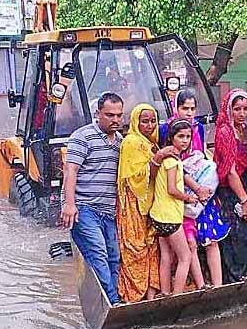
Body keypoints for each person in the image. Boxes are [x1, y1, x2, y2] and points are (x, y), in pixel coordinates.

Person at [61, 92, 124, 306]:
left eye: (118, 115)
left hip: (109, 210)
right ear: (97, 113)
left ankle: (110, 299)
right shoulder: (82, 136)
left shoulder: (121, 142)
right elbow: (71, 171)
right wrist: (70, 204)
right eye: (109, 115)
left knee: (114, 257)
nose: (115, 120)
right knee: (98, 254)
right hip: (85, 208)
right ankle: (113, 303)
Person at [160, 89, 227, 287]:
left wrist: (206, 189)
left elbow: (201, 156)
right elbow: (176, 166)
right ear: (176, 107)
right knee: (189, 243)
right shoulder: (168, 130)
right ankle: (199, 285)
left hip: (201, 192)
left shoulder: (196, 128)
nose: (189, 113)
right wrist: (196, 190)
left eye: (192, 108)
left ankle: (217, 285)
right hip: (183, 195)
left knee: (210, 239)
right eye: (184, 108)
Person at [117, 104, 177, 302]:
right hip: (134, 205)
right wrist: (158, 158)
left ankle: (151, 295)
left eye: (153, 121)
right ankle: (133, 297)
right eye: (145, 121)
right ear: (135, 122)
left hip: (150, 204)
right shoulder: (132, 142)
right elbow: (137, 178)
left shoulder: (151, 142)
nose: (150, 125)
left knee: (152, 248)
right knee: (135, 249)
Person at [214, 88, 247, 282]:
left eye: (245, 109)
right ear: (228, 110)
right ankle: (235, 279)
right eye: (237, 109)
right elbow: (230, 170)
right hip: (231, 189)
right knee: (237, 235)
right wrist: (245, 199)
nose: (241, 113)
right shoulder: (225, 132)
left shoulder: (246, 128)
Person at [150, 119, 195, 295]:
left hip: (158, 216)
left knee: (166, 257)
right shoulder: (173, 161)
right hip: (169, 217)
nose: (185, 140)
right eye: (181, 136)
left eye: (188, 137)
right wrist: (189, 198)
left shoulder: (165, 158)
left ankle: (166, 293)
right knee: (185, 257)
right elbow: (172, 189)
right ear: (171, 138)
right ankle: (176, 295)